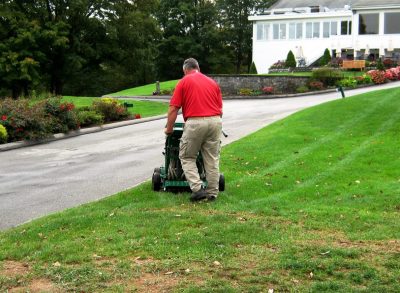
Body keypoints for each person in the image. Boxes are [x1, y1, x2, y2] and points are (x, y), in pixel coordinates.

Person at [164, 58, 223, 202]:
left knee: (187, 156)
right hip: (216, 120)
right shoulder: (212, 82)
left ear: (185, 70)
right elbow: (220, 109)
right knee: (211, 158)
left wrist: (169, 129)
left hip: (195, 122)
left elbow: (173, 109)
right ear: (198, 67)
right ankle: (212, 193)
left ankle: (197, 190)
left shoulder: (184, 81)